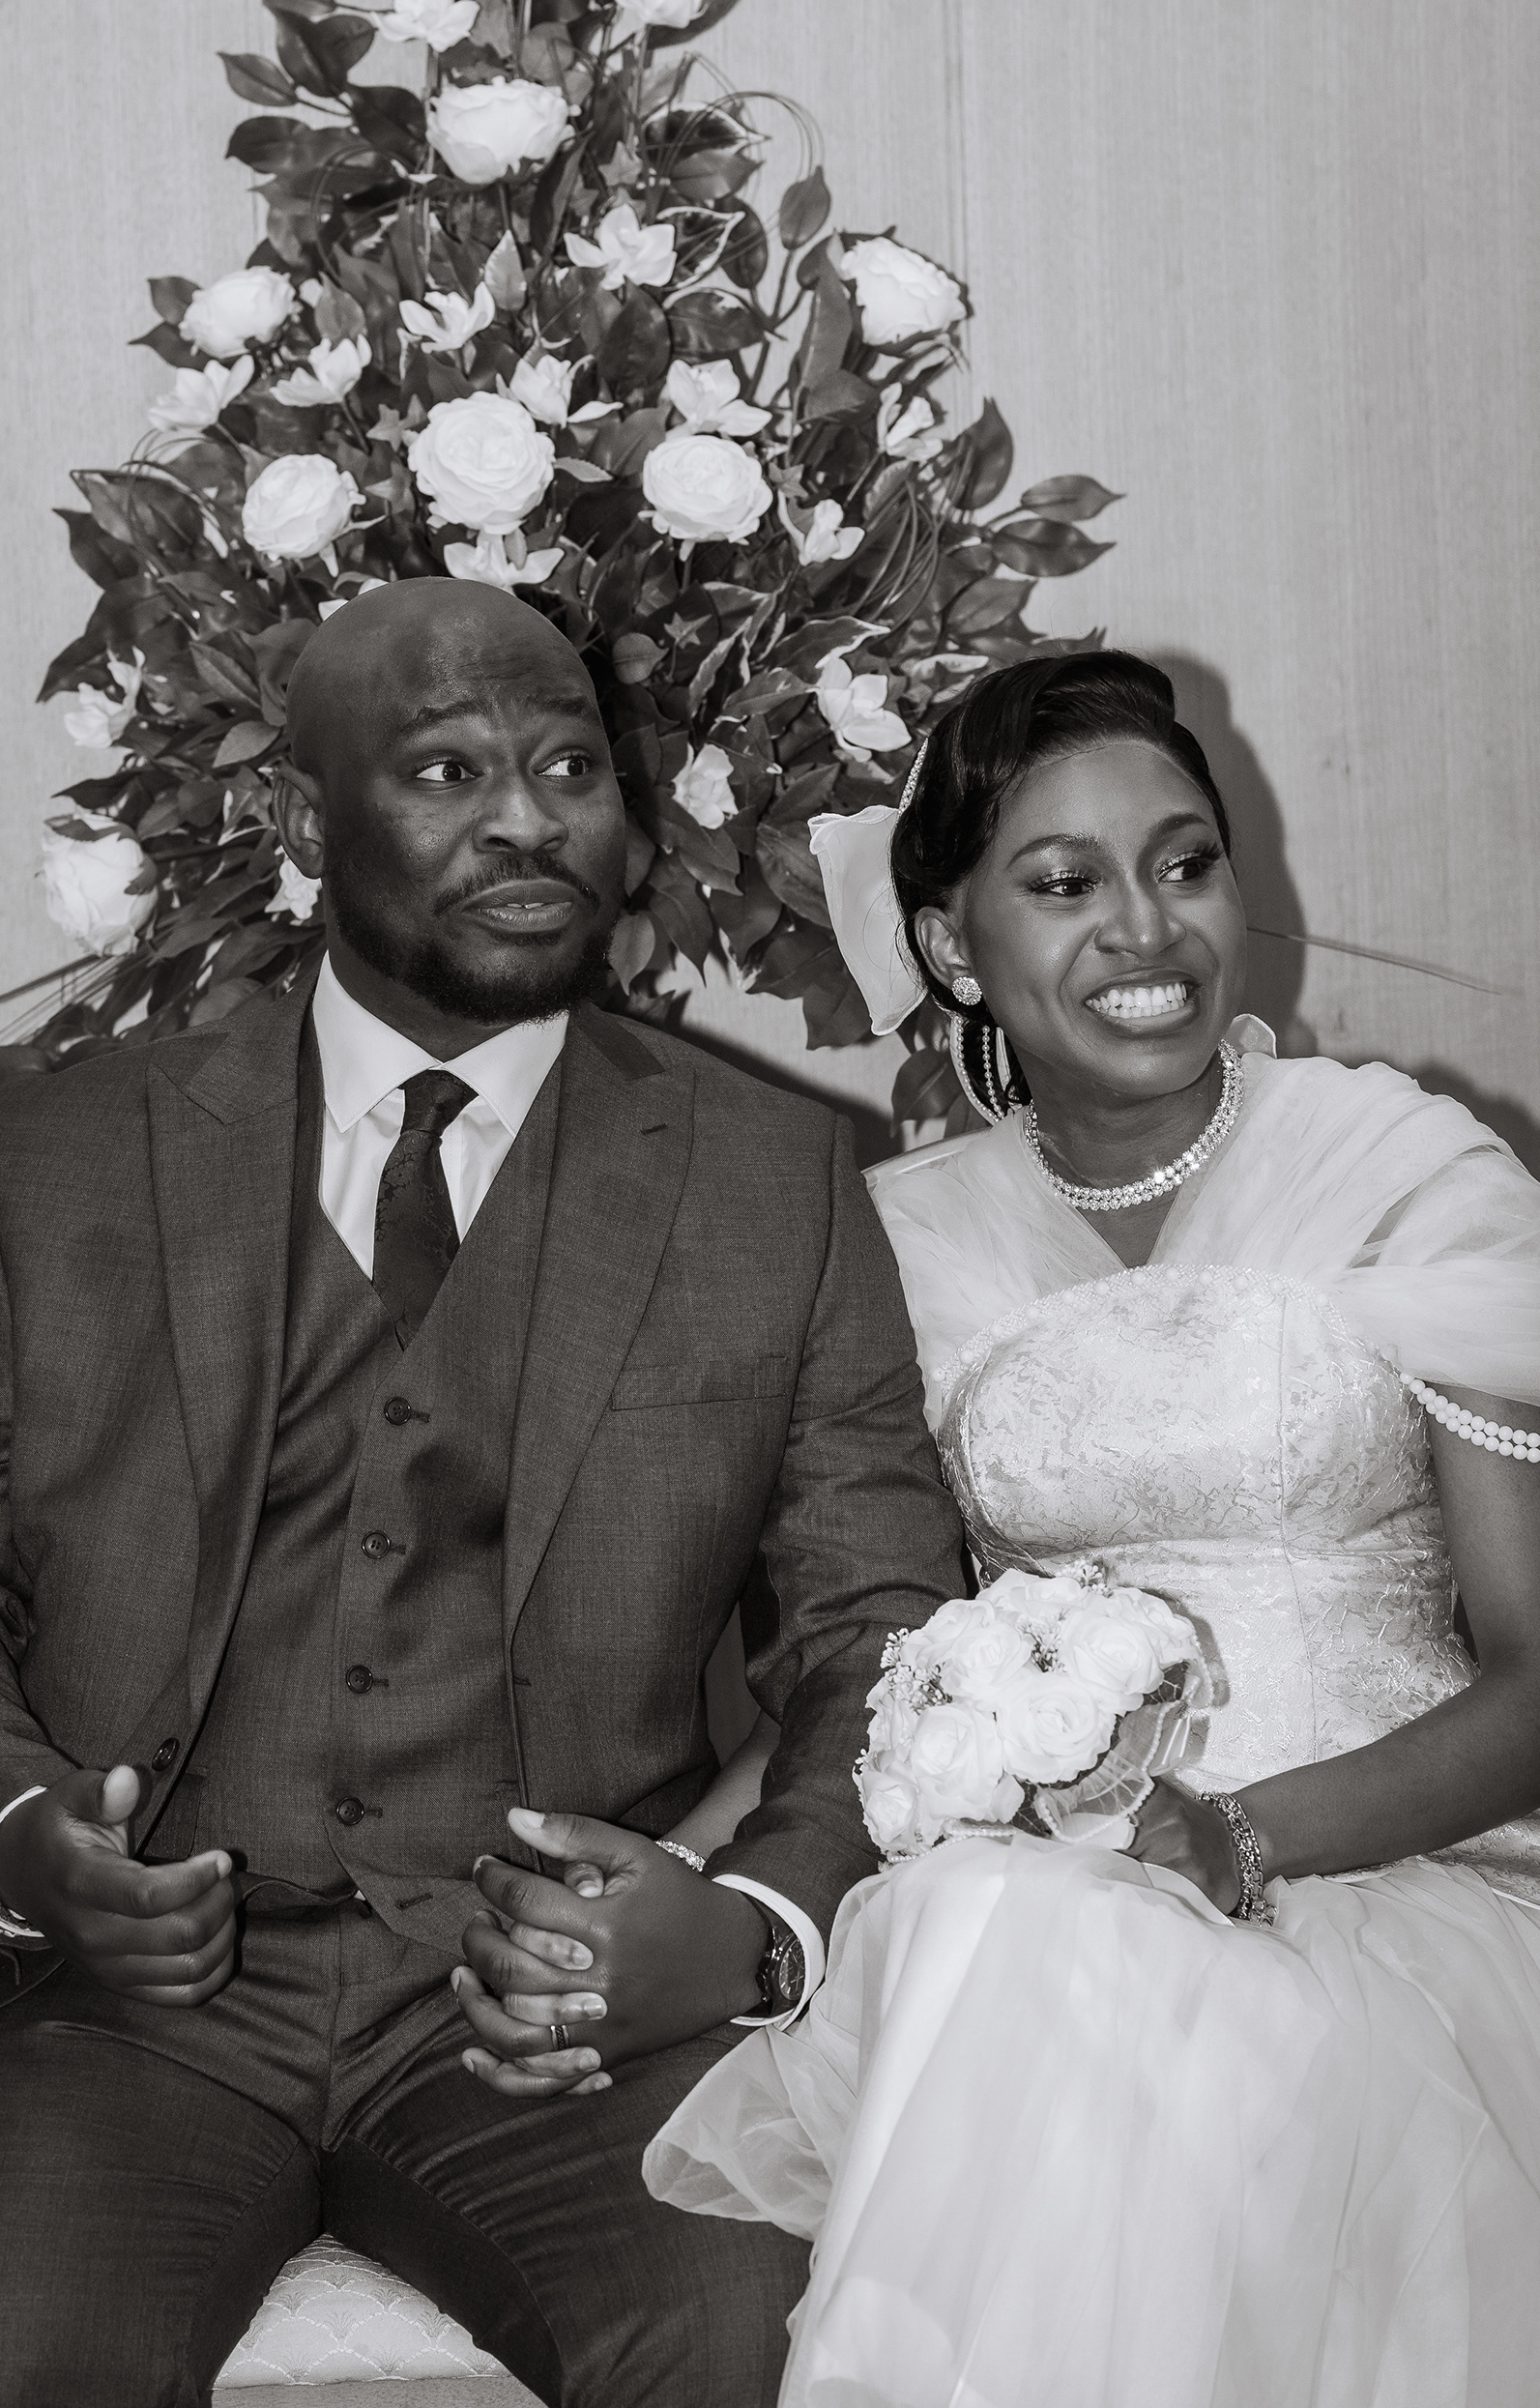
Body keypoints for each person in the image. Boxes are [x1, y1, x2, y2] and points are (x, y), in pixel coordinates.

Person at [0, 580, 965, 2407]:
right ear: (302, 818)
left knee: (782, 2357)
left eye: (569, 768)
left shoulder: (775, 1180)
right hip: (113, 2017)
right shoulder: (60, 1154)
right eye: (444, 773)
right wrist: (23, 1838)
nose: (527, 821)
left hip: (555, 2008)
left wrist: (747, 1930)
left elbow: (880, 1623)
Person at [644, 651, 1540, 2407]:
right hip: (1055, 1911)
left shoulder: (1408, 1175)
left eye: (1185, 864)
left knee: (1038, 1959)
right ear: (953, 944)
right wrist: (674, 1880)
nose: (1148, 928)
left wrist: (1237, 1843)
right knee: (1015, 1938)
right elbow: (869, 1669)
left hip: (1408, 1888)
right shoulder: (888, 1249)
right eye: (1064, 884)